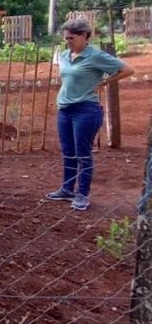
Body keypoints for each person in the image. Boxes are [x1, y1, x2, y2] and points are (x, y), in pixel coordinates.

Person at [45, 18, 134, 211]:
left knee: (82, 154)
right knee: (68, 152)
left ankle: (82, 194)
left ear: (84, 35)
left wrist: (103, 83)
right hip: (65, 110)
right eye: (66, 38)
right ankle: (67, 189)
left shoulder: (95, 56)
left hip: (85, 110)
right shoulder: (65, 54)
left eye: (71, 37)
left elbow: (127, 69)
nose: (67, 41)